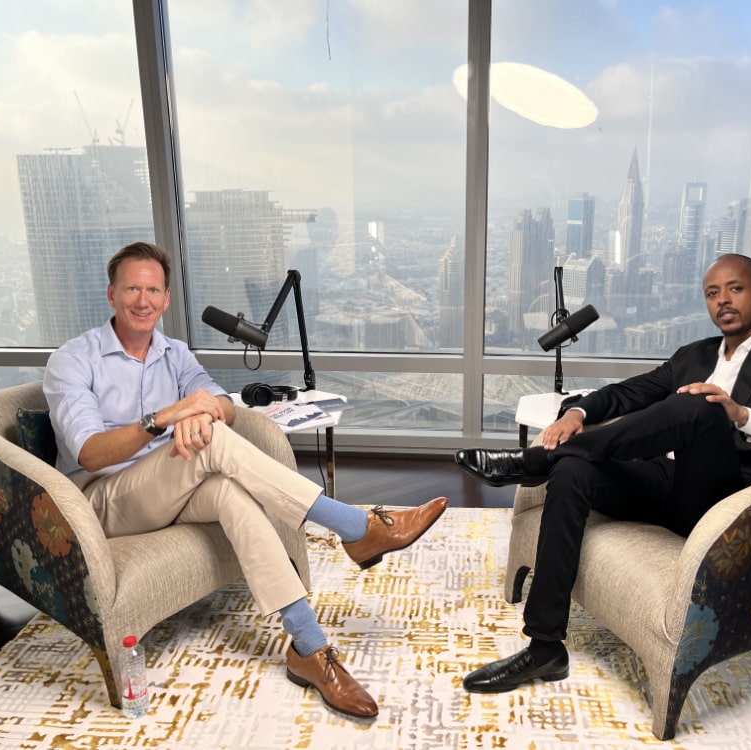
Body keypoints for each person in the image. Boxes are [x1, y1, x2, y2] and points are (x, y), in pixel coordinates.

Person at [43, 241, 448, 720]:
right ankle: (356, 527)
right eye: (132, 289)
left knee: (229, 489)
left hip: (171, 484)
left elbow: (223, 404)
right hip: (103, 501)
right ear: (112, 294)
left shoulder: (174, 353)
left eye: (152, 290)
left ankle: (309, 648)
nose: (142, 300)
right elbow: (89, 452)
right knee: (212, 441)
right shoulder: (74, 359)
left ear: (166, 298)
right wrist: (167, 416)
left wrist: (202, 411)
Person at [454, 253, 751, 693]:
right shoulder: (693, 354)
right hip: (664, 484)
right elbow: (629, 393)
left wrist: (741, 415)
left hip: (724, 502)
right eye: (712, 293)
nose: (723, 300)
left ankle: (532, 463)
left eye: (735, 289)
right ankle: (545, 648)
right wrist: (577, 412)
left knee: (702, 404)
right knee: (572, 470)